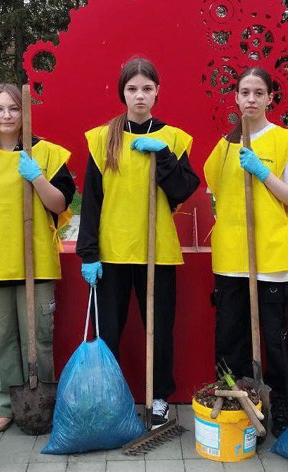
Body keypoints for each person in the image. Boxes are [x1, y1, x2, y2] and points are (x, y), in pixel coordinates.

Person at [75, 57, 200, 428]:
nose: (140, 95)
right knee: (109, 330)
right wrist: (89, 253)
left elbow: (182, 189)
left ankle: (159, 396)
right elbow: (92, 199)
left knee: (158, 330)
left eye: (147, 88)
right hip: (112, 253)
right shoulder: (102, 139)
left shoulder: (174, 138)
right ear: (122, 93)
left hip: (156, 250)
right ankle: (110, 397)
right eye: (132, 89)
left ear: (158, 91)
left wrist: (161, 154)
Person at [0, 83, 75, 433]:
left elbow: (60, 203)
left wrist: (36, 177)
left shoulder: (49, 154)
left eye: (13, 108)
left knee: (38, 336)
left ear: (24, 113)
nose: (6, 115)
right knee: (3, 336)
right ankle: (6, 402)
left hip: (35, 262)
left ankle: (41, 399)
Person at [203, 66, 288, 437]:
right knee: (230, 336)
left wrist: (262, 171)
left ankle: (277, 399)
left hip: (271, 257)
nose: (251, 99)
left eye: (258, 92)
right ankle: (233, 397)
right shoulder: (224, 147)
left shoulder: (286, 141)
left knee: (274, 338)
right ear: (235, 98)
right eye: (244, 92)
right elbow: (215, 191)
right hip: (232, 257)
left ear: (270, 98)